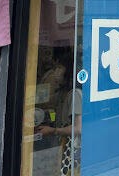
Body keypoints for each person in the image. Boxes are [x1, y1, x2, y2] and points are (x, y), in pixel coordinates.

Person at [37, 47, 82, 175]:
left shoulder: (75, 94)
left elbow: (78, 128)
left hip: (70, 148)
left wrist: (53, 130)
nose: (55, 72)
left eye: (59, 68)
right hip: (62, 145)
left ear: (68, 71)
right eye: (55, 68)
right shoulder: (63, 92)